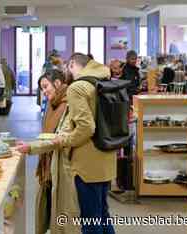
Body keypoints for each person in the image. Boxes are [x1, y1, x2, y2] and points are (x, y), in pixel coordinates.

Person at [18, 53, 116, 234]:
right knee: (102, 215)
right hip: (105, 161)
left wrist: (63, 140)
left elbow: (86, 128)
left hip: (85, 167)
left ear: (72, 65)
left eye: (67, 67)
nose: (65, 73)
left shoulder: (77, 88)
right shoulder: (102, 81)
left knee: (90, 222)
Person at [35, 69, 75, 234]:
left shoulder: (69, 103)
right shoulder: (53, 104)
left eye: (46, 87)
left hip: (63, 164)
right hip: (49, 162)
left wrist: (32, 147)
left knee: (63, 210)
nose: (44, 92)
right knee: (50, 205)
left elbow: (66, 136)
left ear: (57, 83)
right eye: (42, 89)